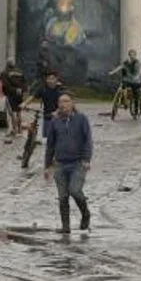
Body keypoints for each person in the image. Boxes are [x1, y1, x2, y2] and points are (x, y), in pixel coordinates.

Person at [43, 93, 92, 233]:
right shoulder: (55, 122)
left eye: (66, 101)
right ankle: (66, 226)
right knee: (63, 196)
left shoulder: (81, 119)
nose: (62, 104)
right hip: (60, 164)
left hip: (78, 163)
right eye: (60, 102)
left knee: (75, 191)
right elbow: (50, 145)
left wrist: (86, 159)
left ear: (72, 103)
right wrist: (47, 166)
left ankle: (85, 214)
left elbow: (87, 140)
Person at [23, 71, 66, 146]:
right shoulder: (43, 89)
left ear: (56, 79)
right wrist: (25, 103)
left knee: (56, 138)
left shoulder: (60, 90)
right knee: (46, 139)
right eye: (48, 78)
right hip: (47, 116)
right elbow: (33, 96)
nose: (50, 80)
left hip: (59, 117)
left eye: (52, 78)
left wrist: (57, 111)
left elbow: (64, 103)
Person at [108, 49, 141, 116]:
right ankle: (121, 100)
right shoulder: (126, 62)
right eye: (131, 55)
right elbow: (120, 67)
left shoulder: (137, 62)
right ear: (129, 55)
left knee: (136, 95)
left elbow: (139, 71)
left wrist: (137, 76)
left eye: (133, 55)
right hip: (127, 80)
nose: (132, 56)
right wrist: (112, 72)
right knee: (122, 88)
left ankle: (136, 110)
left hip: (135, 81)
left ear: (135, 55)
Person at [0, 59, 26, 137]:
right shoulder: (20, 72)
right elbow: (25, 83)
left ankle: (15, 130)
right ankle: (20, 130)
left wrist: (14, 90)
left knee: (12, 113)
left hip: (10, 94)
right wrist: (21, 90)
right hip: (19, 95)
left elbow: (6, 85)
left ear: (7, 64)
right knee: (19, 112)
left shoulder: (4, 73)